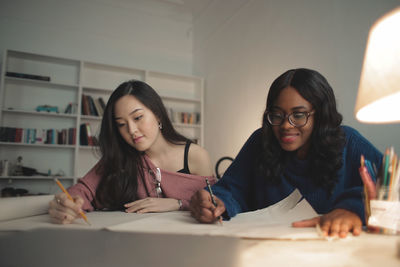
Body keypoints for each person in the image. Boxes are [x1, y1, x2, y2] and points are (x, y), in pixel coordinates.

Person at [190, 68, 383, 238]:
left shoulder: (348, 141)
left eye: (298, 115)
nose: (285, 126)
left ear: (321, 115)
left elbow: (389, 189)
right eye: (277, 115)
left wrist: (352, 210)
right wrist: (215, 200)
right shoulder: (261, 140)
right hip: (266, 251)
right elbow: (232, 188)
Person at [49, 80, 214, 224]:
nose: (132, 130)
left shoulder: (196, 156)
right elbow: (83, 190)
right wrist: (66, 203)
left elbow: (213, 202)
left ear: (157, 115)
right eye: (121, 124)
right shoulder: (119, 158)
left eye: (137, 118)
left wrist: (177, 203)